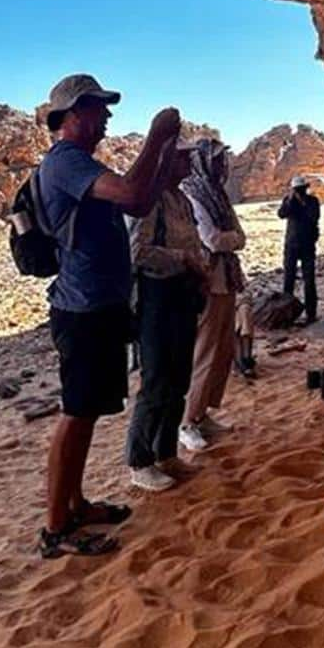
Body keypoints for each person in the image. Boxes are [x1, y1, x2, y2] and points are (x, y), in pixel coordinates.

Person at [33, 73, 184, 558]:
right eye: (100, 108)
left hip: (95, 307)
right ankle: (58, 528)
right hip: (82, 310)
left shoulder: (77, 163)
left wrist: (165, 168)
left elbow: (139, 197)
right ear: (74, 115)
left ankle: (75, 505)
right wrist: (157, 139)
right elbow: (132, 196)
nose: (107, 117)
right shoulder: (66, 163)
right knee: (76, 416)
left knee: (87, 412)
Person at [124, 145, 210, 492]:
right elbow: (137, 252)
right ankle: (139, 461)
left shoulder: (182, 200)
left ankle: (166, 454)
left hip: (182, 293)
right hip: (156, 296)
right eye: (182, 157)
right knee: (157, 379)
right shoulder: (150, 200)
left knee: (178, 378)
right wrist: (183, 259)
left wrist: (196, 268)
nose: (189, 162)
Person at [179, 137, 248, 452]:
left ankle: (203, 412)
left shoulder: (216, 194)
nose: (223, 165)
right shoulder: (194, 196)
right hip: (209, 280)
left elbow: (236, 237)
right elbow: (212, 239)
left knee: (222, 349)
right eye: (217, 160)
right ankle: (187, 421)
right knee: (205, 351)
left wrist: (231, 239)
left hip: (226, 279)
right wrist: (232, 239)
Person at [277, 174, 321, 323]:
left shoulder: (312, 201)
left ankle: (311, 314)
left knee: (309, 280)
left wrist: (301, 203)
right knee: (289, 279)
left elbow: (313, 217)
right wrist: (290, 200)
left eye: (301, 189)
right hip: (292, 245)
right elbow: (281, 214)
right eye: (297, 189)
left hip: (308, 245)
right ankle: (286, 314)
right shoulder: (289, 202)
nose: (299, 192)